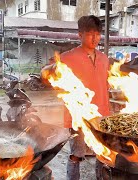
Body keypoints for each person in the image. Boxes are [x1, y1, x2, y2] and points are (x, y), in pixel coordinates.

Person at [41, 15, 110, 180]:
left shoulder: (104, 58)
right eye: (90, 34)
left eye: (97, 34)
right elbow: (44, 75)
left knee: (103, 153)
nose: (95, 38)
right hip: (77, 116)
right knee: (77, 154)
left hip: (101, 114)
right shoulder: (67, 57)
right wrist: (49, 69)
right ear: (80, 35)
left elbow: (106, 84)